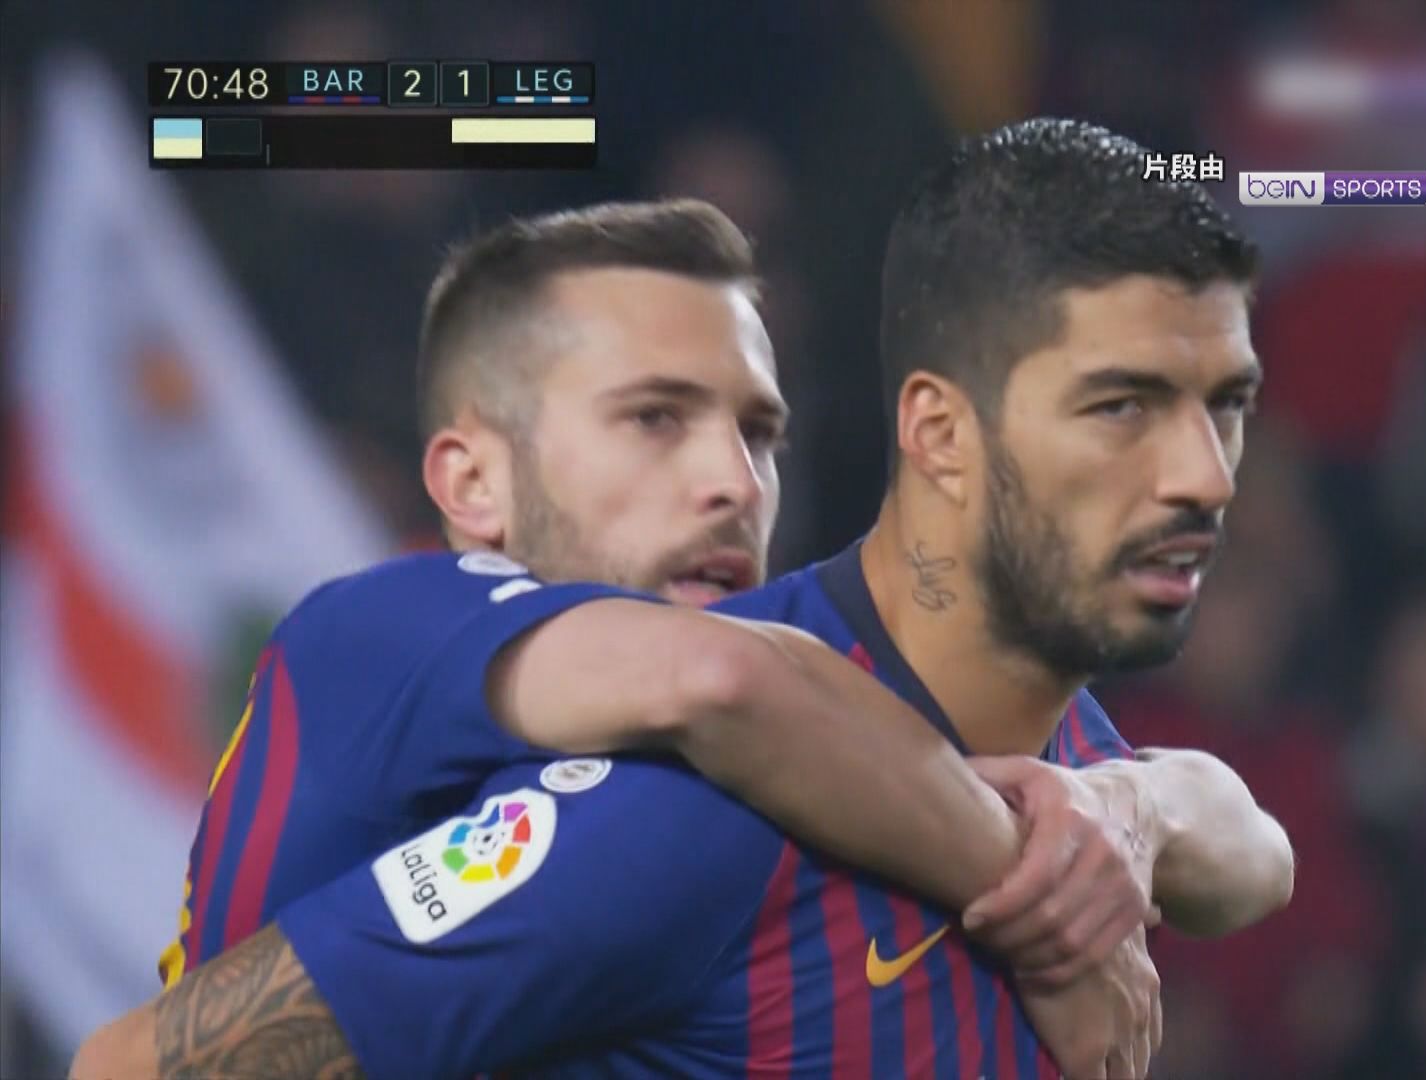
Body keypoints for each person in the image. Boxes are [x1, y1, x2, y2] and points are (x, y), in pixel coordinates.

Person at [75, 118, 1293, 1078]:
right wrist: (1050, 908)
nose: (732, 482)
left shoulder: (1040, 768)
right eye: (655, 419)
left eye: (759, 433)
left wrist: (1129, 813)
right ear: (472, 479)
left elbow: (1252, 852)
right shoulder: (426, 654)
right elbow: (726, 684)